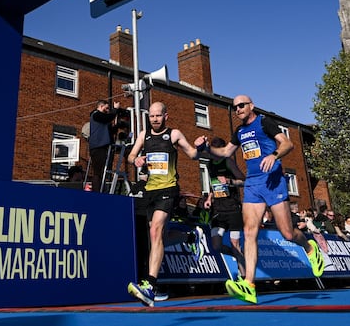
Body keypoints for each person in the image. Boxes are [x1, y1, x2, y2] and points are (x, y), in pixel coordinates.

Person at [198, 95, 324, 304]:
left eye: (241, 105)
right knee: (249, 232)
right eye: (235, 107)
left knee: (287, 233)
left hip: (273, 181)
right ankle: (249, 284)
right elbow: (226, 152)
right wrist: (206, 148)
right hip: (253, 185)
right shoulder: (239, 131)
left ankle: (310, 248)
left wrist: (274, 155)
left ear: (251, 106)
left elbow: (288, 144)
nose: (238, 109)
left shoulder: (264, 122)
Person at [126, 102, 203, 306]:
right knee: (158, 236)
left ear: (165, 116)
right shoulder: (144, 135)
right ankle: (189, 236)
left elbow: (193, 154)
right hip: (150, 191)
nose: (154, 119)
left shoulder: (175, 134)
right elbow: (131, 155)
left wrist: (200, 146)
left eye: (158, 116)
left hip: (168, 189)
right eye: (151, 116)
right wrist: (136, 161)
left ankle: (150, 285)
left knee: (156, 231)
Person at [200, 137, 247, 278]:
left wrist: (229, 181)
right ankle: (238, 255)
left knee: (235, 243)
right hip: (218, 210)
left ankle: (244, 277)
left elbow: (243, 181)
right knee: (216, 245)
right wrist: (209, 198)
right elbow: (214, 185)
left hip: (232, 209)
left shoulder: (228, 162)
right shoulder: (209, 165)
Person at [87, 99, 125, 193]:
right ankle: (97, 193)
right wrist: (115, 110)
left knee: (103, 171)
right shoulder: (96, 114)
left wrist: (117, 126)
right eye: (106, 108)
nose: (108, 110)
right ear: (100, 106)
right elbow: (107, 118)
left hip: (103, 146)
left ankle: (101, 190)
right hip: (98, 146)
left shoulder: (102, 119)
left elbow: (110, 131)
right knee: (98, 172)